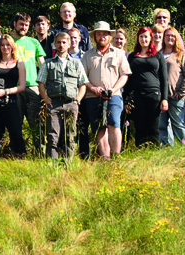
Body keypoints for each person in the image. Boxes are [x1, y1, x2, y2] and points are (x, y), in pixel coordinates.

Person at [81, 21, 132, 159]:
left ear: (110, 36)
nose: (102, 36)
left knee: (114, 124)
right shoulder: (87, 56)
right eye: (99, 34)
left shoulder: (119, 54)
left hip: (114, 96)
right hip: (93, 97)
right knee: (99, 127)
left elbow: (124, 75)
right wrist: (93, 88)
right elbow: (83, 78)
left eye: (105, 34)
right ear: (94, 37)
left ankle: (115, 157)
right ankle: (105, 158)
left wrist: (114, 88)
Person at [38, 32, 89, 161]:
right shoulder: (48, 63)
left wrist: (77, 100)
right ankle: (53, 163)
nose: (61, 45)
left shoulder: (76, 63)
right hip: (53, 104)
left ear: (69, 44)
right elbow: (41, 83)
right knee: (52, 135)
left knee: (70, 135)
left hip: (71, 103)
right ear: (55, 44)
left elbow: (83, 84)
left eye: (64, 42)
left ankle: (68, 162)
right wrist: (46, 99)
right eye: (59, 42)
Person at [0, 35, 27, 157]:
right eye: (2, 45)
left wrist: (5, 91)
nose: (5, 47)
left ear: (12, 47)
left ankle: (20, 156)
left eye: (8, 45)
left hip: (11, 102)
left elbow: (22, 87)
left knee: (16, 132)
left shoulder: (20, 63)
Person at [126, 27, 169, 147]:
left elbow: (164, 79)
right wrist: (127, 99)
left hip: (154, 95)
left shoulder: (158, 56)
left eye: (146, 36)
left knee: (154, 125)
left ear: (151, 38)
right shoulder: (132, 57)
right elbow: (128, 79)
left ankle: (155, 149)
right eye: (141, 36)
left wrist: (164, 99)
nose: (143, 39)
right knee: (140, 124)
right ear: (138, 39)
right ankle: (141, 149)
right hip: (137, 95)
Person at [11, 12, 46, 155]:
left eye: (26, 25)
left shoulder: (34, 42)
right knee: (15, 123)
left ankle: (41, 153)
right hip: (14, 87)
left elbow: (42, 65)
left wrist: (43, 86)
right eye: (21, 24)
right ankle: (18, 153)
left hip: (33, 86)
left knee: (36, 123)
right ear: (15, 24)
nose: (24, 27)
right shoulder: (8, 42)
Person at [159, 27, 185, 146]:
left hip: (176, 97)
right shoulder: (158, 54)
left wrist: (182, 92)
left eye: (172, 36)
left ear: (176, 38)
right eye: (167, 36)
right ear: (163, 38)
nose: (170, 38)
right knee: (161, 125)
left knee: (178, 124)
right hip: (161, 97)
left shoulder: (182, 54)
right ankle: (166, 148)